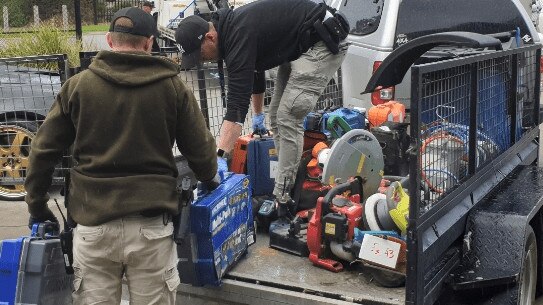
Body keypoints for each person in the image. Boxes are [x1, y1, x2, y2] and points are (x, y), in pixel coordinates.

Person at [24, 7, 219, 304]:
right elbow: (202, 154)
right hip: (152, 229)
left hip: (93, 226)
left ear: (109, 41)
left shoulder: (77, 87)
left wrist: (37, 205)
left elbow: (43, 150)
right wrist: (209, 179)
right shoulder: (173, 87)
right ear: (149, 43)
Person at [175, 0, 349, 209]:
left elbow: (236, 108)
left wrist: (219, 157)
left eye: (200, 54)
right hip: (301, 44)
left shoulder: (237, 35)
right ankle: (288, 182)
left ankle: (284, 197)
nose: (202, 61)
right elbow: (255, 76)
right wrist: (258, 116)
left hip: (322, 41)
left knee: (288, 117)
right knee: (274, 117)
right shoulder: (231, 33)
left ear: (210, 38)